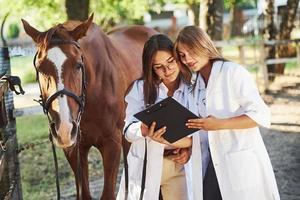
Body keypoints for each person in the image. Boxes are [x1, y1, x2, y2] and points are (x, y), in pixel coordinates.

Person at [173, 26, 280, 200]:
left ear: (204, 45)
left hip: (240, 162)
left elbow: (262, 115)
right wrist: (190, 150)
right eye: (182, 55)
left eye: (191, 51)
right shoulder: (195, 86)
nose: (188, 59)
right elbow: (200, 128)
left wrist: (221, 124)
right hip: (212, 163)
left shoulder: (233, 73)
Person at [117, 34, 192, 200]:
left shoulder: (192, 87)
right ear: (151, 68)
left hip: (178, 165)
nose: (167, 70)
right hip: (147, 163)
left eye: (171, 61)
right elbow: (127, 131)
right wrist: (142, 130)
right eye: (159, 66)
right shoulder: (139, 88)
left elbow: (199, 131)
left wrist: (189, 150)